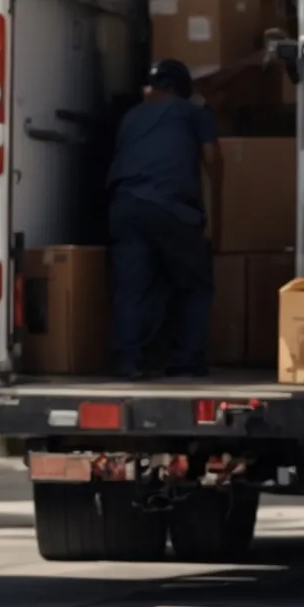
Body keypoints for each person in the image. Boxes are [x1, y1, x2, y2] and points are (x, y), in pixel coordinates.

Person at [105, 58, 222, 379]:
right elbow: (212, 159)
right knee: (194, 283)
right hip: (170, 207)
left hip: (124, 206)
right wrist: (218, 209)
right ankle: (185, 360)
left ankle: (128, 360)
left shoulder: (130, 117)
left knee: (131, 287)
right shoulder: (194, 112)